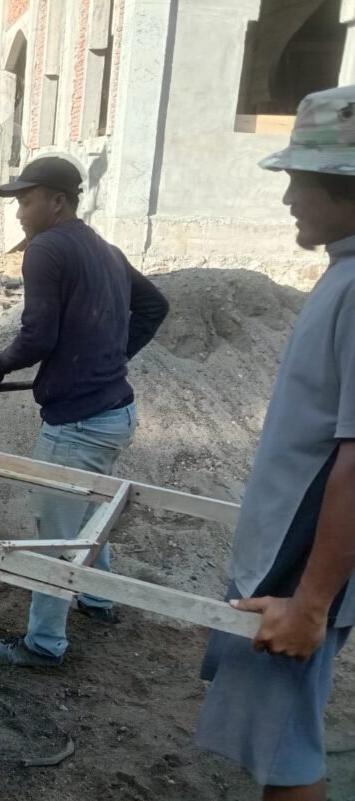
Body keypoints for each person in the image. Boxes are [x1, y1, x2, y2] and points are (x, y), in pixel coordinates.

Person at [195, 86, 355, 801]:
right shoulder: (344, 273)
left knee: (285, 749)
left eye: (299, 177)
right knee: (276, 739)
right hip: (291, 557)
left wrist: (310, 604)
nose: (287, 195)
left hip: (297, 568)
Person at [0, 155, 169, 667]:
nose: (18, 212)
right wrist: (108, 357)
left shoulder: (46, 248)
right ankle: (99, 598)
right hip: (116, 412)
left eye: (26, 199)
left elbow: (38, 335)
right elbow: (154, 306)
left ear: (57, 201)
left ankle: (44, 644)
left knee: (54, 534)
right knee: (87, 511)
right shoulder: (103, 248)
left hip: (78, 424)